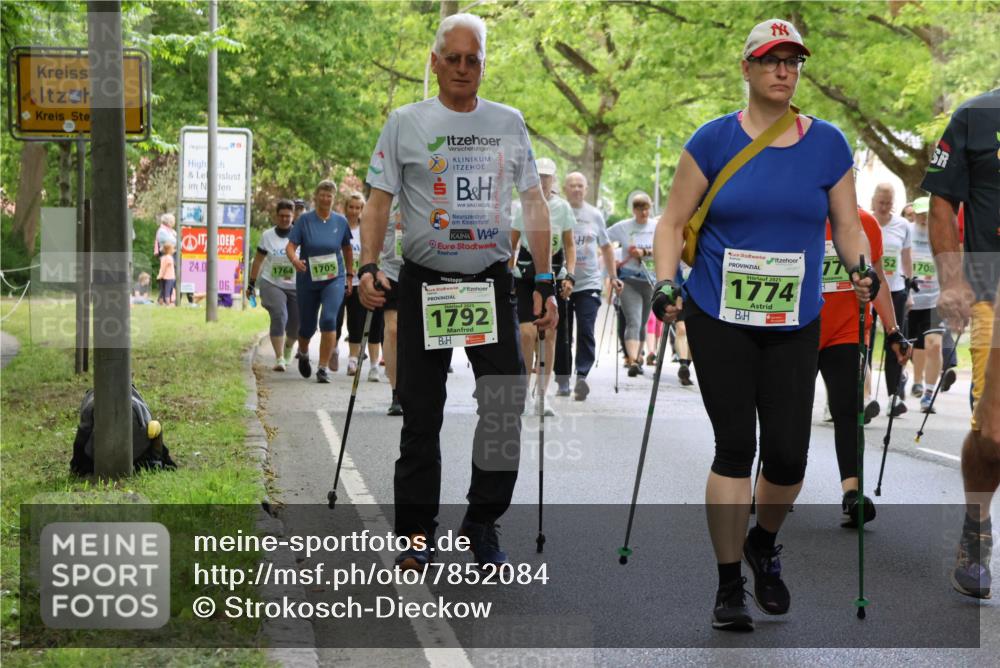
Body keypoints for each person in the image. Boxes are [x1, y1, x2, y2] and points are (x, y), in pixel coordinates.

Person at [650, 18, 877, 631]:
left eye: (793, 60)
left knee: (787, 457)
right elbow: (672, 222)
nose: (783, 70)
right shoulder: (713, 140)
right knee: (735, 447)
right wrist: (666, 282)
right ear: (746, 68)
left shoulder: (828, 144)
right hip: (718, 313)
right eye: (771, 59)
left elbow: (848, 225)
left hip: (793, 317)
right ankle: (728, 586)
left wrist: (863, 269)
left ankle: (761, 542)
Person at [358, 12, 557, 570]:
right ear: (435, 62)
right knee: (422, 412)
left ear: (484, 66)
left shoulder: (509, 121)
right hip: (425, 283)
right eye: (454, 58)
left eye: (474, 60)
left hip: (490, 283)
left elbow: (534, 202)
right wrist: (368, 267)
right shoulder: (405, 122)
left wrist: (542, 279)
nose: (463, 68)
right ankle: (416, 532)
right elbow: (377, 202)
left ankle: (482, 520)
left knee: (502, 403)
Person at [921, 88, 1000, 600]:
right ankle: (977, 524)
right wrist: (952, 280)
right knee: (993, 435)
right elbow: (942, 201)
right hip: (992, 288)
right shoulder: (976, 114)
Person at [817, 208, 909, 526]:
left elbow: (878, 278)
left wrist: (893, 329)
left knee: (849, 407)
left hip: (846, 330)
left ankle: (852, 494)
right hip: (796, 330)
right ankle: (778, 483)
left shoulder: (865, 223)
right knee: (790, 412)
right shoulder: (798, 213)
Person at [511, 157, 576, 415]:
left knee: (549, 336)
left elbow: (570, 245)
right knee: (527, 334)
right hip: (525, 275)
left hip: (554, 275)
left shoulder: (563, 208)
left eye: (547, 176)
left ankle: (542, 395)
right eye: (539, 176)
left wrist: (571, 274)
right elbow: (512, 243)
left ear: (554, 179)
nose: (543, 181)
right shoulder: (522, 207)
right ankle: (525, 392)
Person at [286, 180, 354, 384]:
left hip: (334, 278)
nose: (325, 199)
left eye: (329, 195)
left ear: (334, 199)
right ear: (316, 197)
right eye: (322, 195)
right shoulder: (304, 221)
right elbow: (291, 246)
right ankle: (304, 352)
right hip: (308, 277)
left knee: (328, 319)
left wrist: (349, 275)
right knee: (307, 325)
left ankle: (323, 368)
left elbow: (347, 250)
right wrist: (294, 260)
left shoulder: (340, 222)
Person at [563, 171, 622, 400]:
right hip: (563, 280)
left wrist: (614, 276)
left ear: (586, 189)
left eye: (580, 185)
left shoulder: (594, 215)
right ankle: (562, 377)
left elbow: (606, 247)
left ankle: (582, 377)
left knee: (586, 329)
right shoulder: (558, 211)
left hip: (589, 283)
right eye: (572, 185)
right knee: (563, 332)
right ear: (565, 188)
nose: (576, 189)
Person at [906, 196, 955, 412]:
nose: (925, 218)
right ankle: (915, 381)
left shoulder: (940, 233)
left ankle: (928, 394)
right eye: (921, 213)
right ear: (914, 213)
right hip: (910, 299)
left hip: (934, 299)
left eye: (928, 213)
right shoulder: (906, 230)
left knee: (934, 345)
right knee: (915, 345)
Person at [870, 182, 914, 416]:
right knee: (866, 342)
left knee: (895, 340)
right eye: (881, 202)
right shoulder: (866, 221)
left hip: (895, 290)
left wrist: (909, 289)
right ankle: (864, 394)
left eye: (889, 203)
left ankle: (894, 396)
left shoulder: (903, 225)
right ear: (874, 201)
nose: (885, 207)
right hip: (870, 290)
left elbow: (906, 258)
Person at [247, 199, 300, 371]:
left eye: (288, 216)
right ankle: (279, 359)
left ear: (293, 217)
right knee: (279, 315)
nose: (285, 219)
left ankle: (288, 347)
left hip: (296, 285)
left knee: (296, 324)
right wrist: (251, 284)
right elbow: (258, 261)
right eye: (282, 216)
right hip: (272, 283)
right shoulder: (267, 236)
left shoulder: (300, 234)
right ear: (276, 216)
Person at [608, 192, 658, 377]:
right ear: (634, 210)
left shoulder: (657, 226)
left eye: (646, 208)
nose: (644, 212)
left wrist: (644, 252)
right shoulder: (623, 227)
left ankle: (638, 357)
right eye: (640, 209)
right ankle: (633, 361)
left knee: (643, 321)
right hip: (629, 280)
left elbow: (665, 247)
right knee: (634, 320)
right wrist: (611, 261)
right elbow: (604, 239)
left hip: (650, 280)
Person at [340, 191, 384, 379]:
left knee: (375, 326)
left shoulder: (368, 228)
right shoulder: (341, 227)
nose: (355, 211)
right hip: (348, 281)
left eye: (359, 208)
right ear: (346, 208)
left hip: (370, 280)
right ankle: (353, 360)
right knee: (354, 323)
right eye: (351, 207)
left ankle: (374, 365)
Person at [378, 196, 405, 416]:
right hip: (390, 271)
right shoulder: (386, 197)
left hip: (422, 270)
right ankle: (396, 392)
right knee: (394, 330)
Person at [157, 242, 176, 306]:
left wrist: (160, 275)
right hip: (169, 277)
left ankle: (161, 302)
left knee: (162, 291)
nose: (174, 250)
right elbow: (164, 268)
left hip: (163, 277)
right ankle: (168, 304)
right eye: (173, 249)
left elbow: (162, 268)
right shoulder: (169, 258)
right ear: (169, 250)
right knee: (168, 291)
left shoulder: (163, 258)